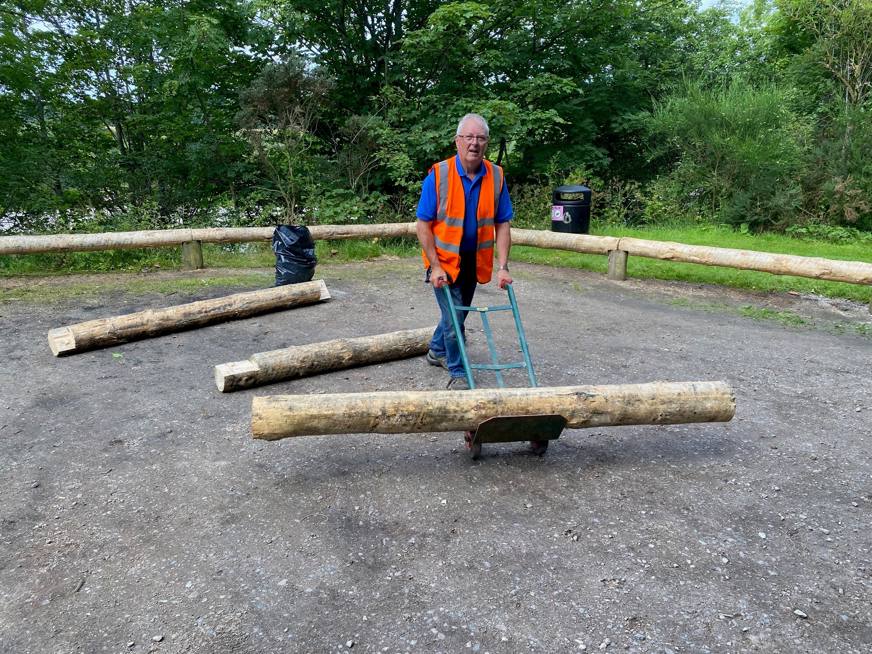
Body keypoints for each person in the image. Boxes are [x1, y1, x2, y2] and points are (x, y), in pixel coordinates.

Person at [416, 113, 513, 390]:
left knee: (457, 314)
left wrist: (503, 266)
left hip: (473, 261)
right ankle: (458, 372)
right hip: (443, 261)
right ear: (457, 141)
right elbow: (423, 225)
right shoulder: (439, 174)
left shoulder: (496, 175)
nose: (474, 143)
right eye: (468, 137)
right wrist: (434, 265)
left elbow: (502, 223)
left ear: (487, 143)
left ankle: (436, 351)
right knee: (454, 319)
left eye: (480, 138)